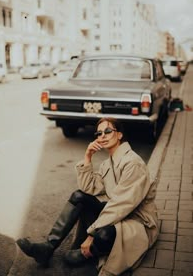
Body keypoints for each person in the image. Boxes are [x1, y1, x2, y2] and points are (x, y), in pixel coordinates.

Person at [16, 117, 159, 275]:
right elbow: (89, 188)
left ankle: (88, 254)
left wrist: (92, 233)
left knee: (103, 235)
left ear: (119, 135)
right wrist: (88, 157)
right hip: (118, 212)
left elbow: (122, 203)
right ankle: (48, 247)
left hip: (136, 218)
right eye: (99, 133)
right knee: (78, 196)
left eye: (108, 131)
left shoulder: (133, 163)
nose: (102, 135)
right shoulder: (107, 163)